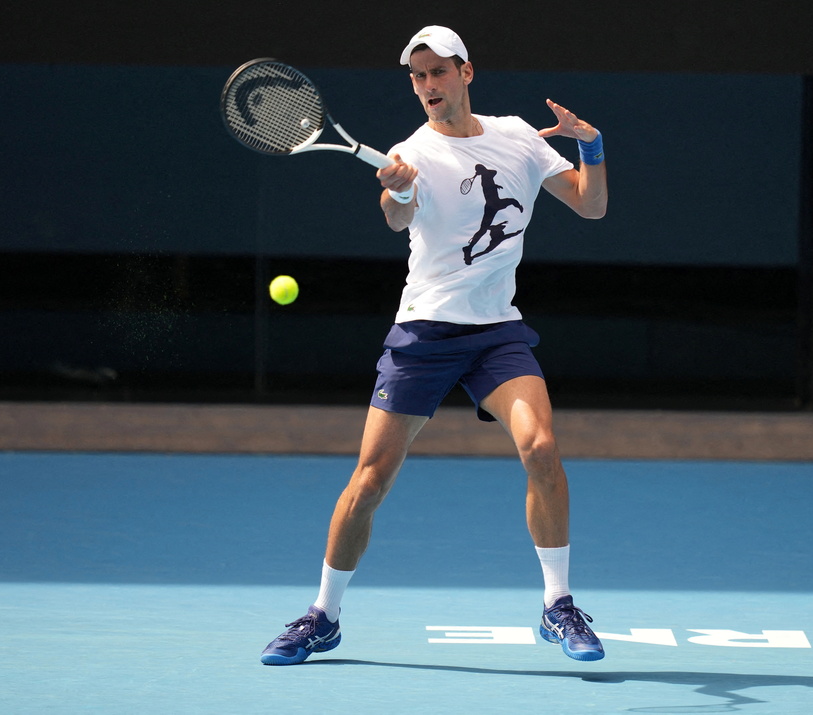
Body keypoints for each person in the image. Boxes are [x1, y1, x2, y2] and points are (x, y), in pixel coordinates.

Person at [261, 25, 609, 666]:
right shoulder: (410, 152)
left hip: (496, 333)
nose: (427, 85)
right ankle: (323, 616)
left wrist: (591, 143)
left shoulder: (519, 137)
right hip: (425, 332)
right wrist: (397, 189)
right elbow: (397, 214)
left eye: (438, 72)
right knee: (370, 481)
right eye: (417, 76)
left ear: (465, 72)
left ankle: (558, 605)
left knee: (540, 447)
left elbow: (591, 206)